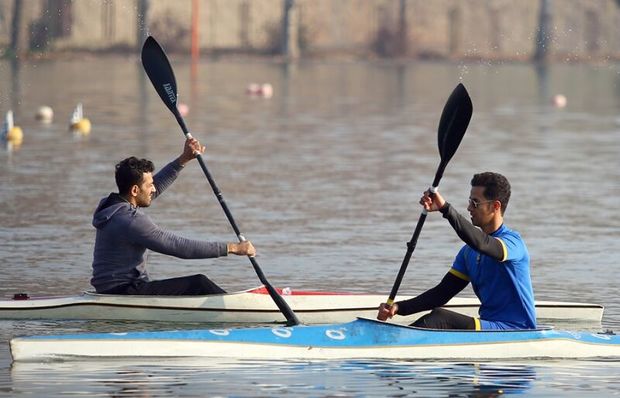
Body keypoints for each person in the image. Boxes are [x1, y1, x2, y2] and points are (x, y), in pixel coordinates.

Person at [91, 137, 256, 296]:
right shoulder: (130, 221)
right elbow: (178, 247)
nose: (154, 189)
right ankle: (236, 309)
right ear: (134, 190)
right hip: (124, 291)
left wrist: (183, 160)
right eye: (150, 185)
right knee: (198, 283)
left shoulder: (110, 206)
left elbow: (156, 188)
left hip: (113, 289)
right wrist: (232, 248)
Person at [378, 172, 536, 330]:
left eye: (475, 203)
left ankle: (387, 342)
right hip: (489, 326)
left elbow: (483, 244)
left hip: (518, 328)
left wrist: (445, 209)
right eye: (469, 201)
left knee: (441, 317)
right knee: (438, 315)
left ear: (495, 206)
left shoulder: (513, 244)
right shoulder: (468, 253)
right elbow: (442, 293)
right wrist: (399, 308)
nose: (469, 208)